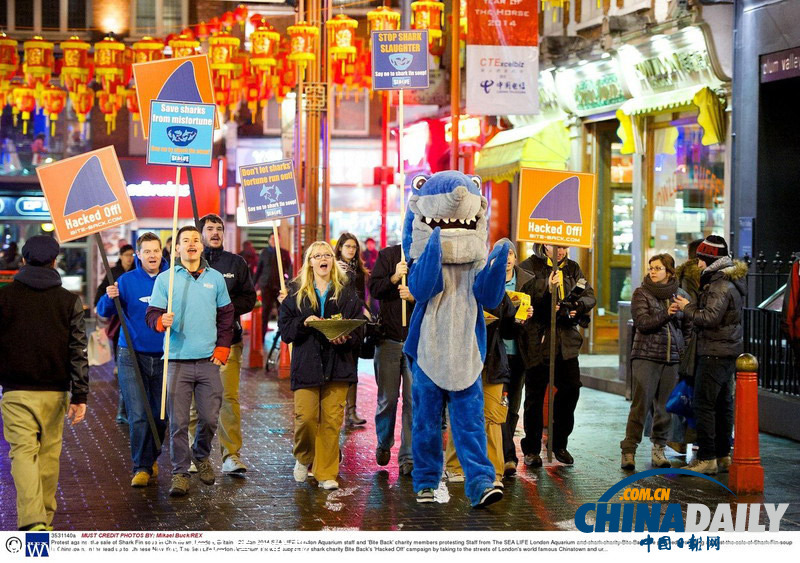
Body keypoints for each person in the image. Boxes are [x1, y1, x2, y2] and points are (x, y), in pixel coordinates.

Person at [0, 236, 88, 530]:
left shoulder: (4, 298)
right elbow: (78, 350)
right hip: (55, 391)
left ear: (24, 260)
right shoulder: (68, 301)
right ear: (54, 261)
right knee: (49, 457)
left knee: (22, 453)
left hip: (15, 390)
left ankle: (32, 521)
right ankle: (44, 522)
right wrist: (80, 395)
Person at [145, 225, 234, 497]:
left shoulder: (215, 278)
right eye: (186, 240)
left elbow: (226, 316)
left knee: (209, 418)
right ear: (177, 248)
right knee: (179, 423)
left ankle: (201, 454)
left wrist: (222, 348)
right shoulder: (166, 279)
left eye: (196, 239)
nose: (192, 244)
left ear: (202, 246)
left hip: (208, 361)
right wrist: (161, 320)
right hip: (176, 361)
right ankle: (180, 473)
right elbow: (151, 314)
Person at [279, 241, 365, 491]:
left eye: (327, 255)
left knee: (331, 421)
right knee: (306, 418)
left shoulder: (347, 292)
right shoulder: (296, 293)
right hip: (307, 365)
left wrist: (345, 336)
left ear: (333, 260)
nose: (322, 259)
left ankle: (326, 472)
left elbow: (359, 328)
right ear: (310, 263)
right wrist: (304, 322)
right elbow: (286, 331)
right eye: (317, 256)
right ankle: (303, 456)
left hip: (339, 365)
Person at [96, 233, 168, 487]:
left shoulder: (172, 279)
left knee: (160, 415)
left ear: (161, 252)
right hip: (131, 354)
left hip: (165, 354)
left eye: (155, 250)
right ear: (138, 255)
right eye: (146, 251)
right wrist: (109, 296)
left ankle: (151, 457)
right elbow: (103, 311)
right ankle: (141, 467)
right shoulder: (125, 281)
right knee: (138, 414)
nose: (152, 255)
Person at [675, 235, 747, 475]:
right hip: (727, 350)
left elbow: (709, 318)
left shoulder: (719, 284)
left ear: (710, 259)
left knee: (703, 404)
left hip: (714, 351)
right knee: (723, 404)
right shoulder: (730, 280)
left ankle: (707, 458)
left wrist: (686, 307)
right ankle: (723, 455)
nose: (697, 264)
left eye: (701, 259)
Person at [519, 244, 596, 466]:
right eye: (556, 247)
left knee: (571, 389)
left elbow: (589, 294)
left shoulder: (573, 267)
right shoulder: (529, 266)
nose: (560, 251)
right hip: (538, 341)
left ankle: (559, 443)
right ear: (544, 244)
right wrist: (548, 291)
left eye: (564, 247)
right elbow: (524, 298)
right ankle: (531, 449)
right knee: (534, 397)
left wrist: (576, 306)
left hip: (566, 342)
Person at [192, 214, 257, 475]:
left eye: (219, 228)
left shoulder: (236, 263)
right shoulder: (188, 262)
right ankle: (193, 453)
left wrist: (224, 308)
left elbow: (249, 298)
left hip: (229, 341)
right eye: (210, 229)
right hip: (192, 344)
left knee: (228, 398)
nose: (216, 233)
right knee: (193, 401)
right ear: (200, 233)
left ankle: (231, 455)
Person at [620, 253, 691, 471]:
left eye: (658, 268)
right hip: (646, 356)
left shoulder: (681, 295)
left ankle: (659, 448)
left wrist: (684, 350)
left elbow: (688, 328)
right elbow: (642, 323)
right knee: (640, 406)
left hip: (672, 359)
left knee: (665, 408)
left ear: (669, 271)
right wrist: (666, 314)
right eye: (651, 267)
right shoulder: (642, 293)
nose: (653, 271)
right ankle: (629, 450)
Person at [367, 244, 416, 475]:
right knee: (387, 399)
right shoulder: (388, 255)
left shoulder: (425, 257)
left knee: (413, 401)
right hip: (388, 339)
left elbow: (435, 294)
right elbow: (375, 289)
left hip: (416, 343)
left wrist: (414, 297)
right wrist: (395, 277)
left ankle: (408, 456)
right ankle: (384, 442)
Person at [494, 238, 540, 477]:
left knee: (512, 407)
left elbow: (537, 314)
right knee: (499, 406)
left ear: (514, 257)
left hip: (519, 353)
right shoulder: (489, 280)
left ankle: (505, 452)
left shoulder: (527, 282)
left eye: (510, 254)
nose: (507, 259)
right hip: (495, 354)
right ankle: (507, 456)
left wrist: (530, 313)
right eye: (503, 255)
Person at [669, 238, 704, 454]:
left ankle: (679, 439)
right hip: (699, 338)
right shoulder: (701, 275)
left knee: (683, 390)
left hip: (684, 340)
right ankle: (695, 438)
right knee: (698, 392)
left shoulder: (681, 276)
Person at [95, 243, 135, 424]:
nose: (129, 258)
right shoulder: (115, 272)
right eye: (127, 255)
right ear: (120, 256)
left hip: (132, 321)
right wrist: (101, 302)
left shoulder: (136, 271)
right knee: (119, 341)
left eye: (132, 255)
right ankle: (118, 362)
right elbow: (102, 291)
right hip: (118, 318)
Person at [334, 232, 369, 426]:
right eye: (347, 246)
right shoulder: (334, 267)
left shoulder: (359, 270)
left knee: (352, 367)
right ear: (340, 247)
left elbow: (362, 297)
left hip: (356, 322)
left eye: (354, 247)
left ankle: (351, 411)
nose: (351, 250)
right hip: (339, 321)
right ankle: (338, 410)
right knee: (340, 367)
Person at [255, 233, 293, 345]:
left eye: (276, 238)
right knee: (265, 312)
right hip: (266, 286)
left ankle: (282, 338)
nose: (274, 240)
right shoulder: (264, 253)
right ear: (268, 240)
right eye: (271, 238)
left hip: (280, 287)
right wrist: (253, 285)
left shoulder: (284, 253)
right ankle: (261, 339)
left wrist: (289, 284)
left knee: (282, 312)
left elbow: (289, 269)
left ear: (279, 240)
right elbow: (258, 270)